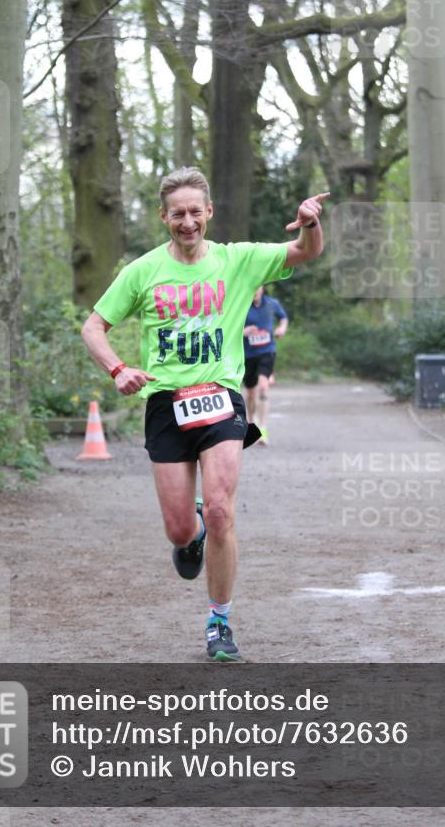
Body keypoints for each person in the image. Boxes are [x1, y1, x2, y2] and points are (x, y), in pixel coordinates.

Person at [81, 167, 328, 661]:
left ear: (209, 212)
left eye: (196, 211)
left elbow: (305, 252)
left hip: (220, 398)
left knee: (220, 510)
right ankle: (190, 531)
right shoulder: (142, 271)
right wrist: (117, 369)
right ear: (164, 217)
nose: (188, 222)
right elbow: (93, 327)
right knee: (180, 530)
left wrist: (310, 223)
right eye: (178, 214)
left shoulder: (238, 260)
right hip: (165, 404)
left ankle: (220, 622)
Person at [243, 286, 288, 445]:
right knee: (250, 393)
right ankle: (251, 423)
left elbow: (283, 318)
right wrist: (243, 331)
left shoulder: (271, 303)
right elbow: (229, 326)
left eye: (258, 287)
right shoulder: (241, 304)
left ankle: (262, 429)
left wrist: (282, 328)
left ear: (262, 288)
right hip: (247, 354)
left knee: (263, 387)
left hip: (267, 351)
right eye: (253, 287)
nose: (255, 290)